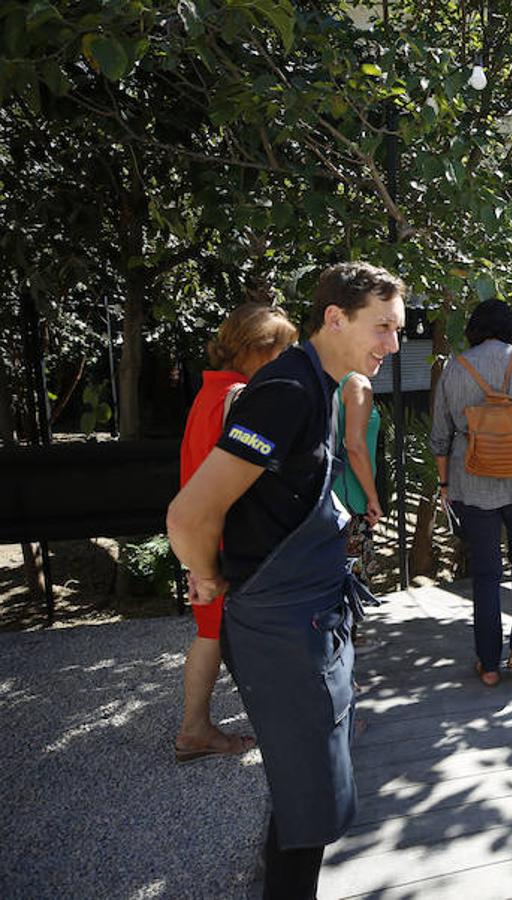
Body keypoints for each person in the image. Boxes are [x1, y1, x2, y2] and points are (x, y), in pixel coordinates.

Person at [167, 262, 405, 899]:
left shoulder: (317, 383)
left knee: (308, 784)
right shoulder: (289, 392)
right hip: (279, 627)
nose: (392, 344)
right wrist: (208, 575)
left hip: (307, 621)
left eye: (397, 329)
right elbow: (189, 513)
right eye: (382, 327)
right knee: (310, 796)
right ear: (334, 318)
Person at [174, 302, 296, 763]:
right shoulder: (243, 399)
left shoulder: (209, 393)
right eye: (284, 349)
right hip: (230, 540)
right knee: (264, 637)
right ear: (261, 349)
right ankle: (291, 727)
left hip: (205, 533)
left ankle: (195, 729)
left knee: (209, 633)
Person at [430, 299, 512, 687]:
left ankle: (488, 665)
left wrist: (444, 485)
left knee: (486, 573)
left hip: (472, 482)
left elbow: (440, 437)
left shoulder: (456, 368)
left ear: (473, 329)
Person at [333, 371, 381, 582]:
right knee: (353, 592)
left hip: (328, 501)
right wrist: (373, 497)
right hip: (352, 501)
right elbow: (355, 446)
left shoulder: (325, 378)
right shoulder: (356, 382)